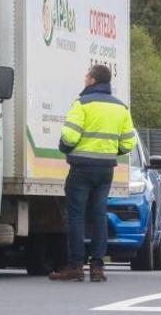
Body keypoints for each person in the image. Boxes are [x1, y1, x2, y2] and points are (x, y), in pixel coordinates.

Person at [49, 64, 136, 283]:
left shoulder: (82, 104)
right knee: (98, 216)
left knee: (76, 217)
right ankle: (97, 267)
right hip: (106, 169)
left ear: (93, 80)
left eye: (87, 75)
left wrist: (65, 148)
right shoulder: (120, 108)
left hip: (82, 169)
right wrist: (110, 151)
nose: (85, 78)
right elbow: (128, 142)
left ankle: (76, 266)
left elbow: (69, 136)